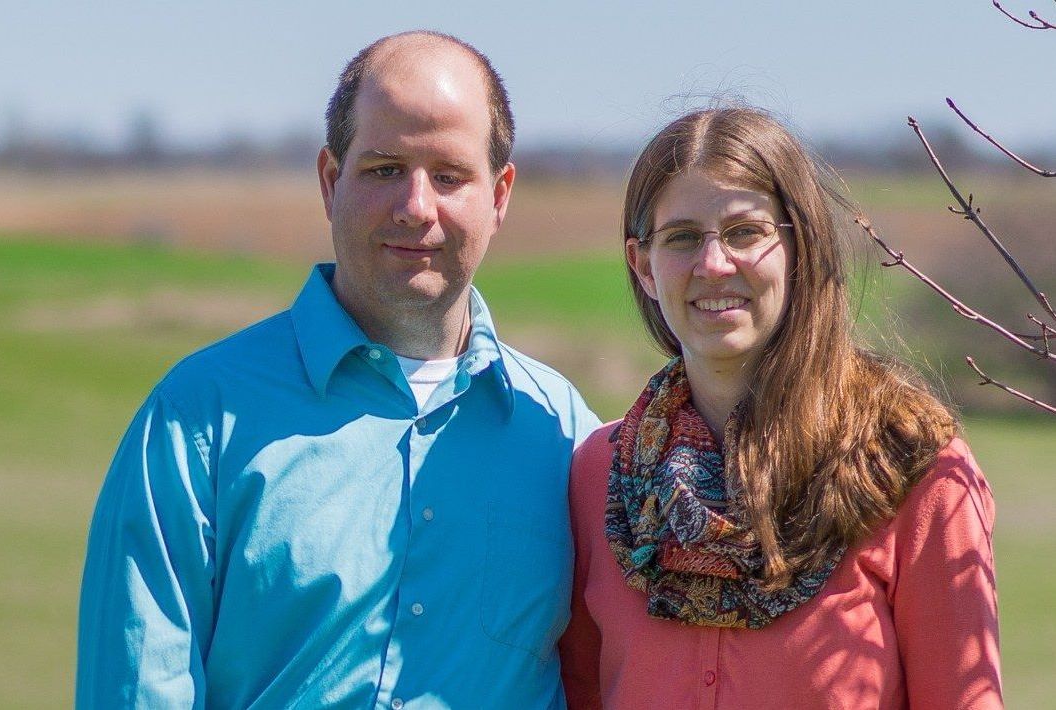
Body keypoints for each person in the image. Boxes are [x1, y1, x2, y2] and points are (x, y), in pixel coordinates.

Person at [77, 31, 599, 708]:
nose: (416, 206)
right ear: (330, 181)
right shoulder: (197, 420)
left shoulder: (566, 436)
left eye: (449, 175)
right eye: (384, 169)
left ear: (499, 195)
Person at [559, 107, 1002, 709]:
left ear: (801, 247)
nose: (713, 264)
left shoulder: (915, 469)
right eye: (683, 236)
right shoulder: (600, 476)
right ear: (643, 265)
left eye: (744, 231)